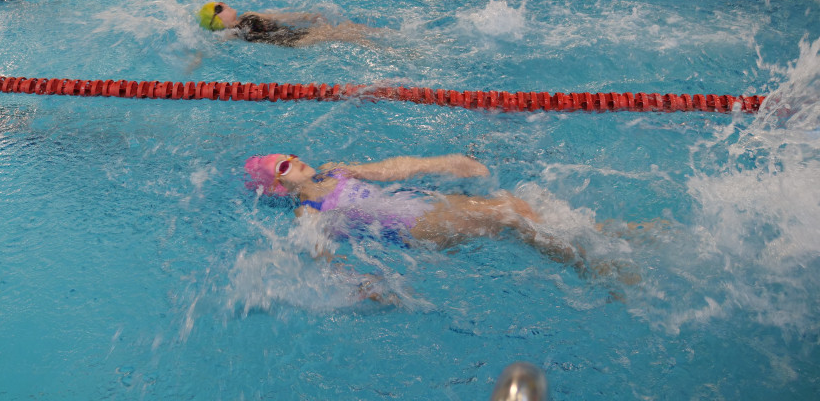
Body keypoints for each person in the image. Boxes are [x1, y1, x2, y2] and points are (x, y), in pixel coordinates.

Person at [243, 153, 636, 279]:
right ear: (278, 186)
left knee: (519, 204)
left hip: (423, 205)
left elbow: (390, 169)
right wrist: (359, 282)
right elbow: (321, 256)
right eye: (283, 167)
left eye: (289, 155)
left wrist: (445, 162)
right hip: (417, 228)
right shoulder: (305, 210)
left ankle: (603, 237)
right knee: (509, 213)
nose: (293, 161)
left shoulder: (335, 169)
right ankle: (592, 266)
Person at [198, 2, 374, 46]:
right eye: (219, 7)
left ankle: (380, 34)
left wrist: (305, 17)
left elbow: (279, 17)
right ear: (217, 20)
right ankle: (383, 49)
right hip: (291, 42)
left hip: (291, 32)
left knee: (347, 28)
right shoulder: (232, 33)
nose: (225, 4)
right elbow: (209, 48)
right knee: (341, 34)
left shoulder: (248, 15)